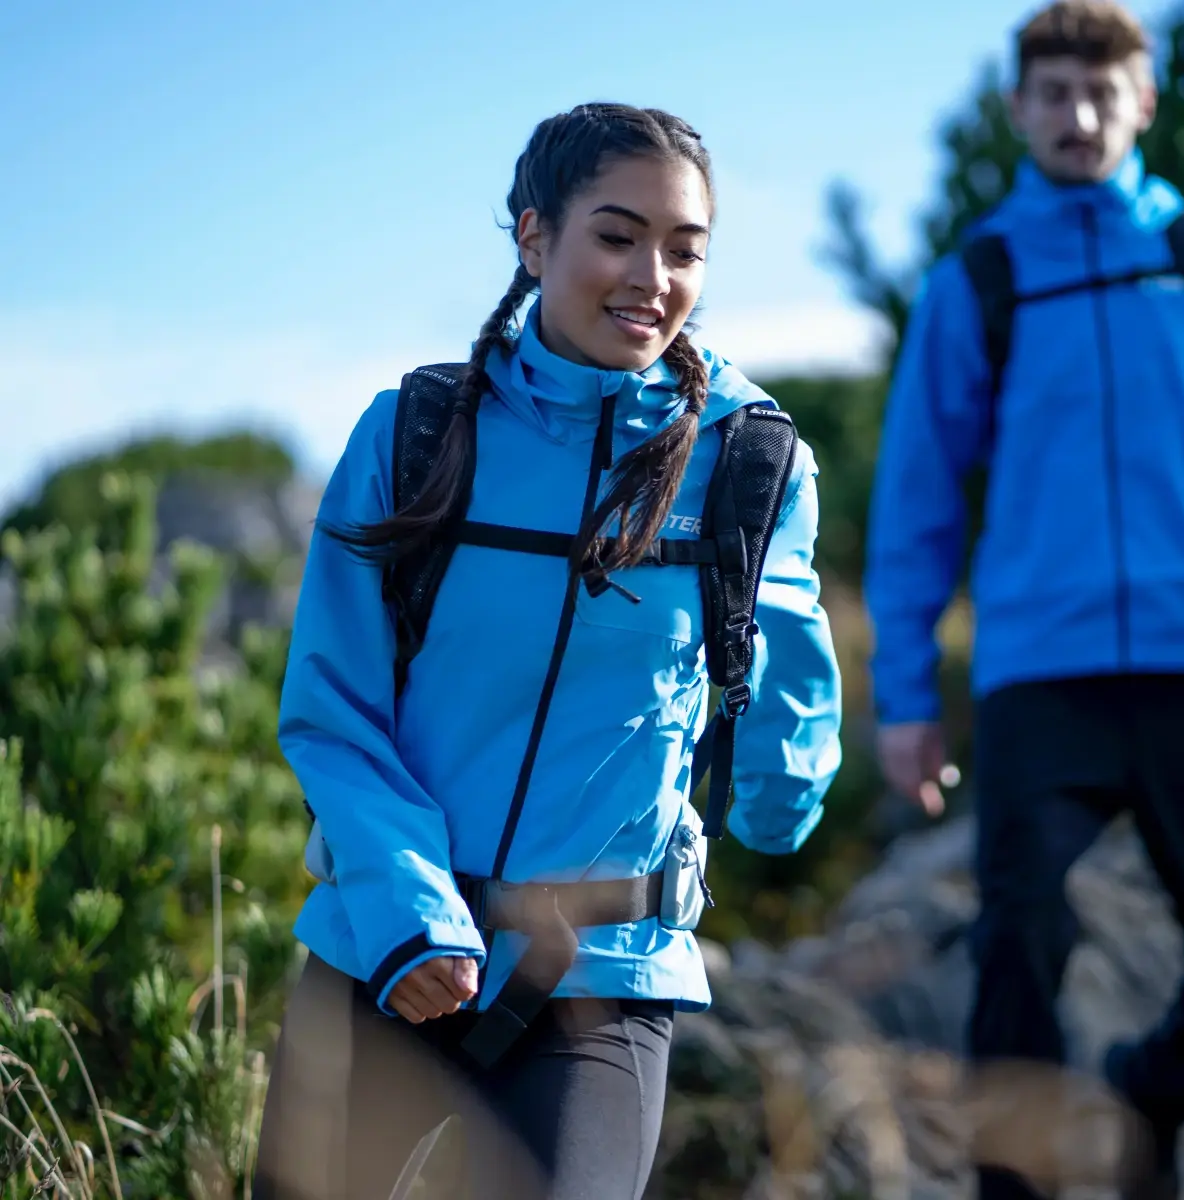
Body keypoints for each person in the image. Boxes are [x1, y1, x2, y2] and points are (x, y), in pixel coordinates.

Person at [251, 101, 843, 1200]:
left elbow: (787, 681)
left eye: (685, 249)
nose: (652, 278)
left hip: (602, 982)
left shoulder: (752, 461)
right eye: (617, 236)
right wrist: (412, 919)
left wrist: (778, 801)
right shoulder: (417, 431)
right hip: (381, 949)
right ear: (535, 238)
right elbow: (332, 705)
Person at [864, 2, 1184, 1197]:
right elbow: (916, 499)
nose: (1080, 115)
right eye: (1054, 93)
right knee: (1018, 946)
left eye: (1103, 92)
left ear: (1144, 103)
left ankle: (1149, 1095)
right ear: (1019, 108)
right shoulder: (983, 280)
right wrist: (905, 697)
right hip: (1038, 674)